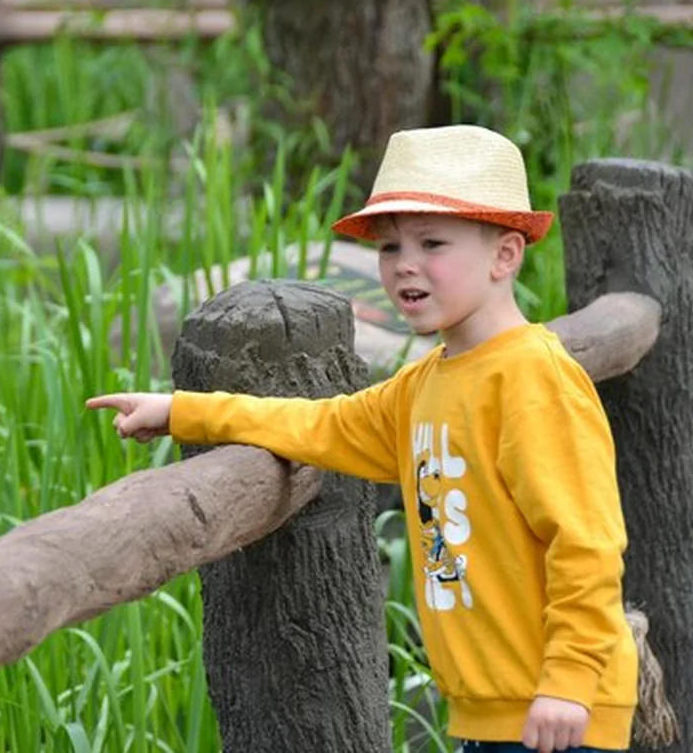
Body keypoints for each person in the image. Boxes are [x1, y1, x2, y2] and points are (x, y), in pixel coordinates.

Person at [86, 125, 637, 753]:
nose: (405, 263)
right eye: (390, 246)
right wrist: (185, 410)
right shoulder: (424, 384)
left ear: (505, 255)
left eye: (432, 243)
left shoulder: (533, 379)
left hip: (560, 716)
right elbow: (321, 424)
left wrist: (569, 679)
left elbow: (586, 541)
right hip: (492, 713)